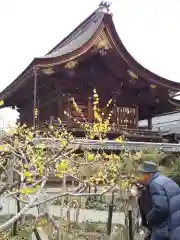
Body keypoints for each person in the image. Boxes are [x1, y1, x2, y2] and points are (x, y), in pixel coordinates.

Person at [137, 161, 180, 240]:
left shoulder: (154, 184)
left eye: (143, 174)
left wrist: (149, 219)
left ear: (150, 174)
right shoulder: (166, 180)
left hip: (166, 228)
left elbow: (161, 208)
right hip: (176, 225)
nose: (141, 177)